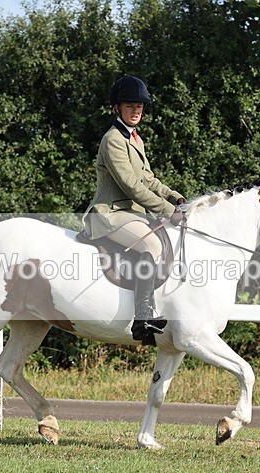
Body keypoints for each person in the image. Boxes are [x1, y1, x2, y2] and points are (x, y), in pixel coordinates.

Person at [83, 75, 185, 346]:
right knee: (151, 244)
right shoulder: (113, 139)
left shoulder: (135, 139)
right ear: (117, 107)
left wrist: (174, 198)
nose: (136, 110)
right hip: (111, 213)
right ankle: (142, 319)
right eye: (130, 105)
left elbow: (148, 179)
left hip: (133, 214)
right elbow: (130, 186)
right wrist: (165, 210)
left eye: (140, 106)